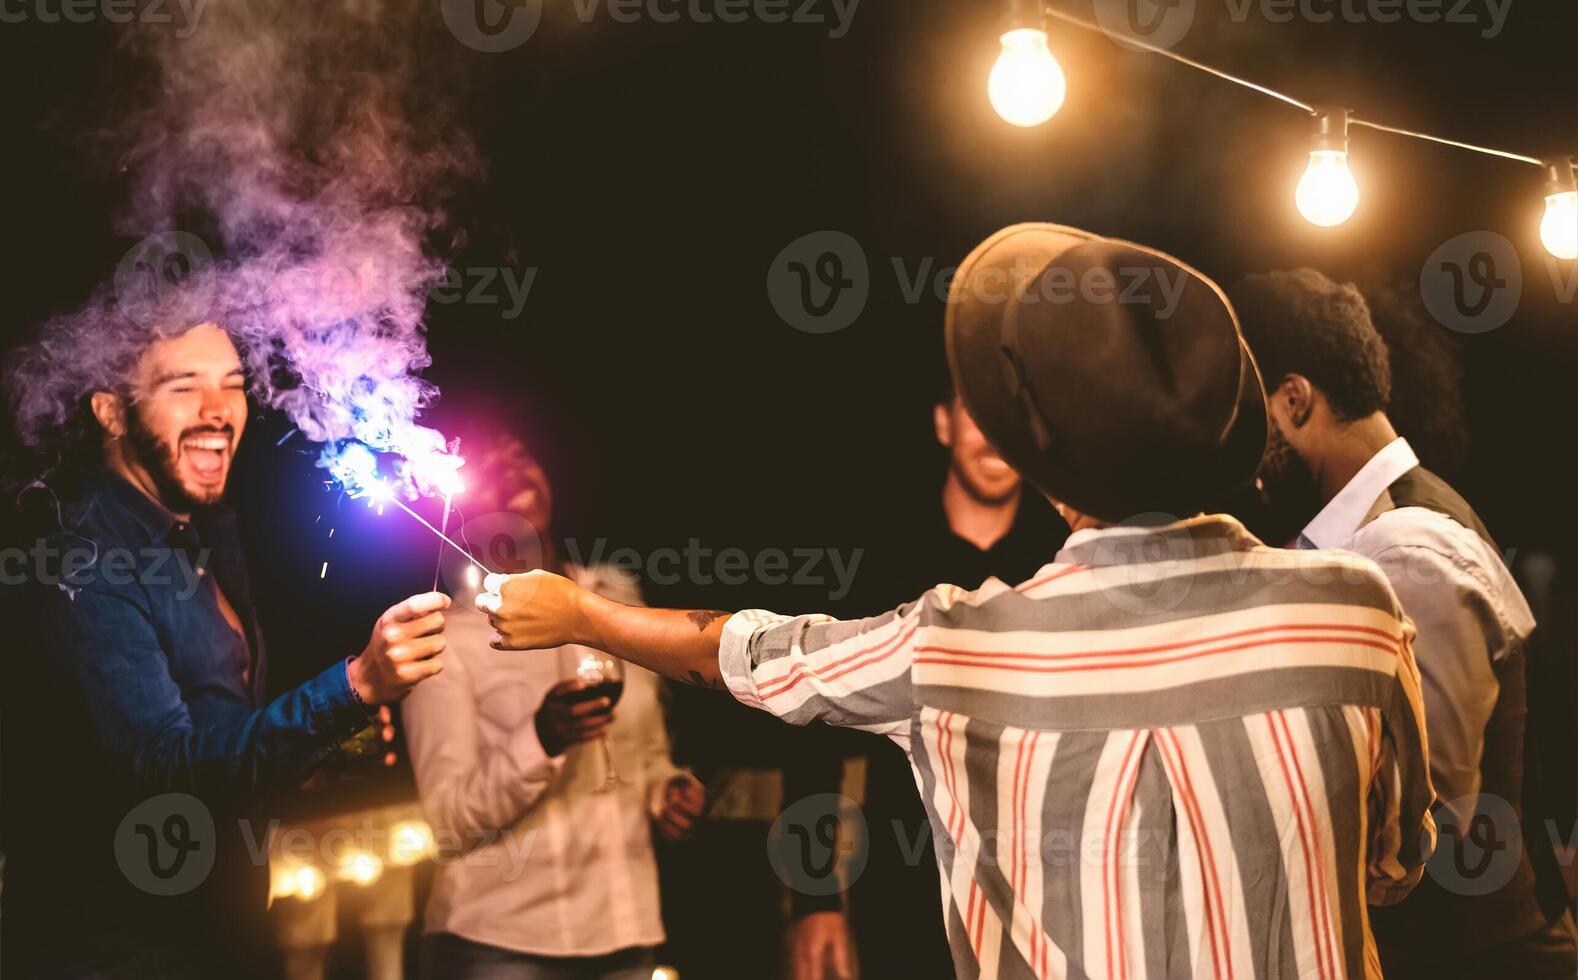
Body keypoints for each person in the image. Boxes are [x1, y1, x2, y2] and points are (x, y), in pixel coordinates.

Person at [479, 224, 1437, 978]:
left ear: (1037, 457)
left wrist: (580, 616)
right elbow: (1394, 865)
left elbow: (745, 652)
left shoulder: (958, 644)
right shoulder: (1355, 609)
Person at [1, 307, 449, 978]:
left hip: (225, 934)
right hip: (115, 954)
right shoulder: (81, 557)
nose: (218, 410)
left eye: (233, 383)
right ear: (111, 412)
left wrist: (324, 746)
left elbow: (226, 730)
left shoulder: (207, 532)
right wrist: (353, 685)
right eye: (183, 386)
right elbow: (165, 769)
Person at [1232, 268, 1578, 979]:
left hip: (1483, 958)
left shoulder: (1406, 548)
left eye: (1248, 417)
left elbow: (1425, 820)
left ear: (1295, 400)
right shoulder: (1358, 536)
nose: (1242, 457)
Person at [403, 435, 705, 979]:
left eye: (521, 453)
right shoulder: (449, 637)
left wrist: (667, 787)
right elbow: (448, 820)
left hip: (625, 933)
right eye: (487, 466)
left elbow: (646, 750)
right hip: (499, 945)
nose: (511, 471)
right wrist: (541, 737)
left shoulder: (613, 595)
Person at [833, 382, 1067, 977]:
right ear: (942, 422)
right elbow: (822, 713)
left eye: (1007, 415)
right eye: (975, 413)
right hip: (906, 887)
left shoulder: (1064, 557)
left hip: (1042, 887)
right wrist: (814, 905)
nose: (992, 435)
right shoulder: (883, 555)